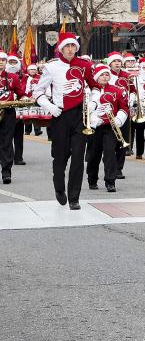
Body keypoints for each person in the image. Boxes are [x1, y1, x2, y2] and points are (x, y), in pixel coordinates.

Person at [34, 32, 92, 209]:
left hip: (79, 116)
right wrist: (50, 107)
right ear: (61, 48)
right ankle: (59, 188)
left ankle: (74, 197)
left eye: (73, 46)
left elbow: (96, 86)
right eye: (67, 46)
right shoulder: (52, 67)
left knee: (78, 157)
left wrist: (94, 102)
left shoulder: (84, 65)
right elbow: (38, 92)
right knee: (59, 157)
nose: (70, 49)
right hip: (60, 115)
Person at [84, 66, 128, 193]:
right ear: (96, 76)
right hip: (94, 127)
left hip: (110, 126)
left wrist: (119, 119)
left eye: (107, 75)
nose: (105, 77)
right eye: (102, 75)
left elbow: (123, 107)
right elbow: (84, 108)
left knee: (109, 153)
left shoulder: (116, 90)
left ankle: (110, 181)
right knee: (93, 155)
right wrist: (93, 119)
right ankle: (92, 179)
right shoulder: (89, 91)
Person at [0, 56, 24, 184]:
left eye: (3, 60)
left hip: (8, 112)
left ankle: (6, 172)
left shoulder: (12, 77)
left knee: (6, 141)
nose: (1, 62)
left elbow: (21, 93)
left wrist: (24, 99)